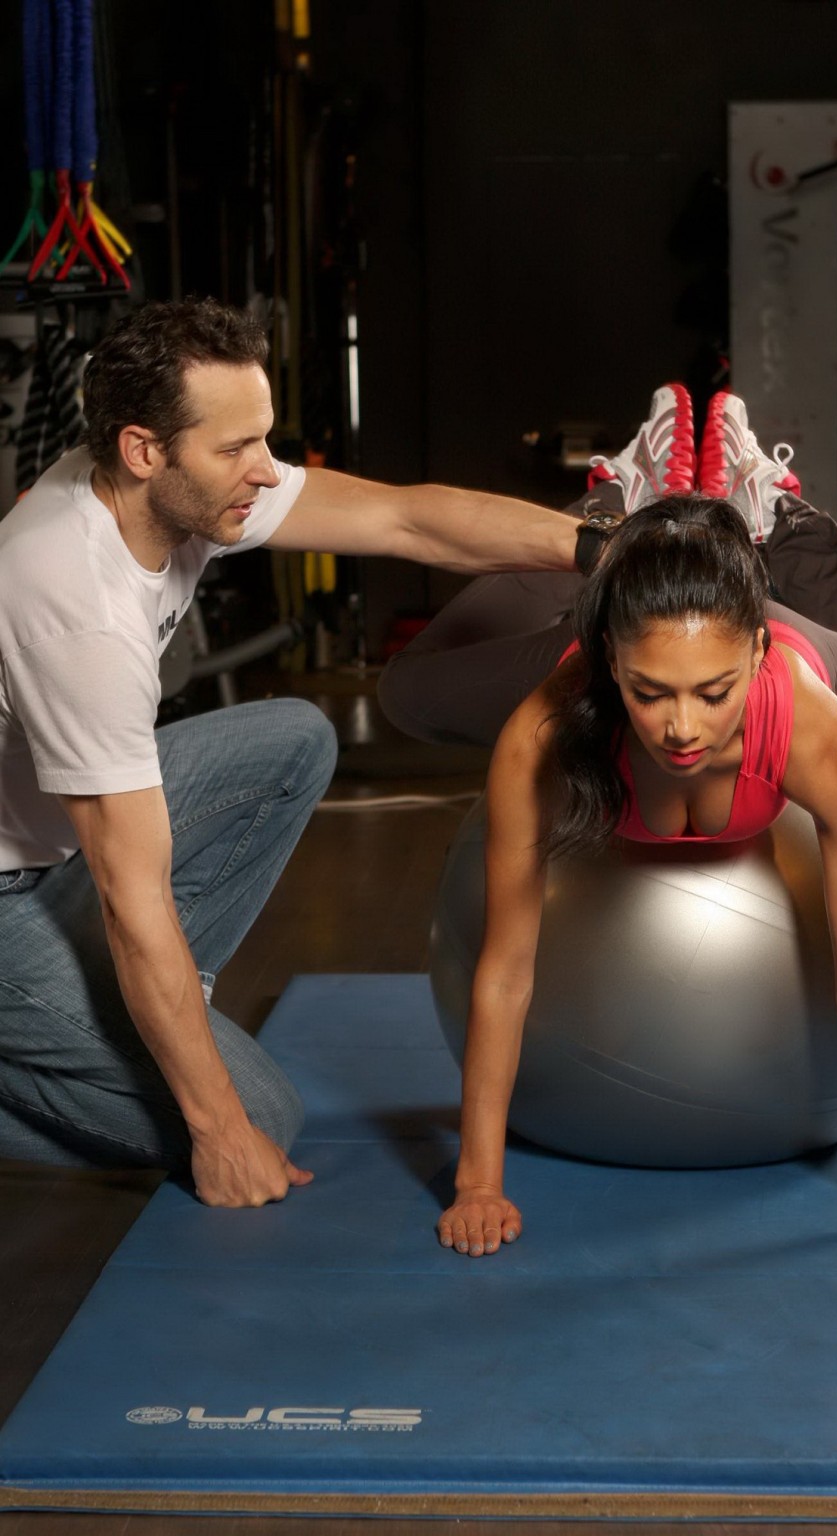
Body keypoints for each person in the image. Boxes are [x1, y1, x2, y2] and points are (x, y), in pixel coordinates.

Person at [0, 295, 590, 1210]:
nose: (267, 473)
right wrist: (218, 1129)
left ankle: (135, 1020)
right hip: (12, 898)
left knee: (293, 740)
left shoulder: (177, 491)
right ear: (143, 450)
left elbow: (407, 523)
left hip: (49, 857)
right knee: (256, 1119)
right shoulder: (75, 613)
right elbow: (132, 896)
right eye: (237, 450)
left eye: (263, 439)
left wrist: (597, 545)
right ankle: (118, 1035)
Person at [388, 387, 837, 1264]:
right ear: (610, 668)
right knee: (408, 693)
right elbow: (506, 971)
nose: (682, 726)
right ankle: (611, 506)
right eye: (651, 696)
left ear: (753, 654)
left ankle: (780, 520)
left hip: (760, 623)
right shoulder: (549, 729)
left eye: (711, 697)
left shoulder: (820, 735)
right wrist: (478, 1184)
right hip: (611, 614)